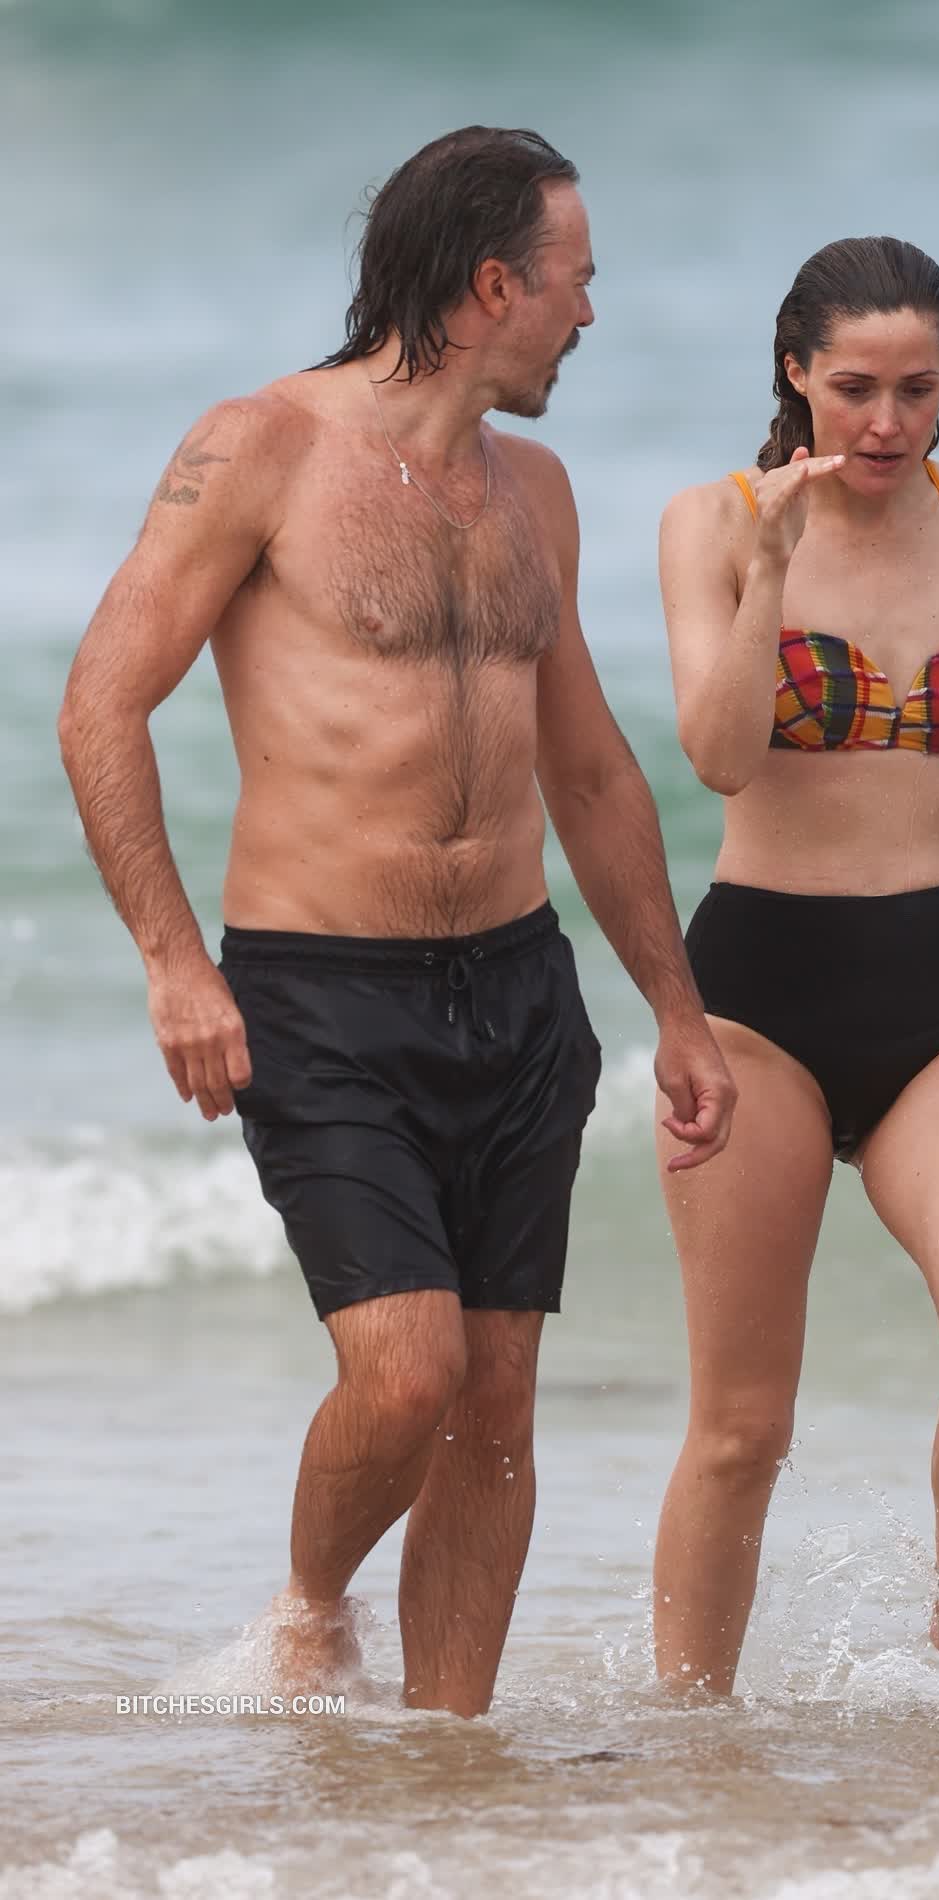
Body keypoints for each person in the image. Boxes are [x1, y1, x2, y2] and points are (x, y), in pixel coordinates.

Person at [57, 125, 734, 1718]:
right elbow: (101, 703)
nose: (590, 314)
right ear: (493, 285)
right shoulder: (261, 449)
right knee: (408, 1369)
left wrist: (676, 1008)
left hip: (516, 988)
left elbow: (589, 769)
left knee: (494, 1406)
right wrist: (173, 963)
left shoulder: (536, 494)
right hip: (321, 991)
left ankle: (446, 1760)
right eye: (575, 282)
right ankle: (311, 1604)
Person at [651, 236, 939, 1716]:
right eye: (855, 387)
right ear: (795, 371)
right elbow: (719, 755)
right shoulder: (709, 521)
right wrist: (772, 567)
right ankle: (691, 1728)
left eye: (916, 390)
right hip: (756, 1003)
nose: (885, 421)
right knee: (742, 1426)